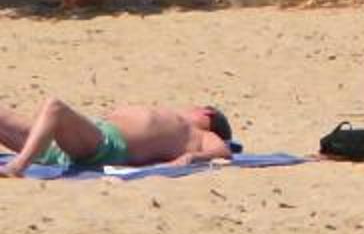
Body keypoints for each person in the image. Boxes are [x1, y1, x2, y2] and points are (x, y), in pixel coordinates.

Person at [1, 99, 238, 177]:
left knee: (55, 107)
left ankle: (19, 166)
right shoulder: (178, 121)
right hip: (72, 141)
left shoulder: (200, 133)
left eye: (197, 107)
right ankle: (27, 156)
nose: (191, 106)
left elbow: (223, 152)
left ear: (207, 114)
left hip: (107, 145)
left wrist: (192, 158)